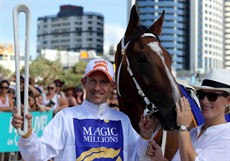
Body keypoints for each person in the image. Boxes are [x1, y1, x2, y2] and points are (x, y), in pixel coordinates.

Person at [11, 58, 153, 161]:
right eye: (93, 81)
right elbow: (38, 156)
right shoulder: (65, 117)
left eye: (103, 82)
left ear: (112, 86)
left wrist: (145, 136)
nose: (97, 88)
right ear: (84, 82)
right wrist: (27, 135)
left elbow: (138, 157)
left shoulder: (122, 120)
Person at [144, 69, 230, 161]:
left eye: (212, 96)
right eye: (201, 95)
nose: (204, 101)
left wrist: (183, 127)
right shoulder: (193, 132)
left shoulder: (227, 137)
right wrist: (160, 159)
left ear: (228, 100)